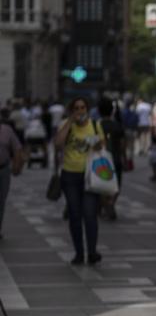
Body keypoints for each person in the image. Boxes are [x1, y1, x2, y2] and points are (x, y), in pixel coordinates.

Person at [53, 97, 105, 265]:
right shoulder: (65, 125)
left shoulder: (95, 125)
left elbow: (102, 145)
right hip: (70, 175)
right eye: (76, 108)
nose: (80, 111)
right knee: (75, 215)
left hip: (90, 176)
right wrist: (69, 122)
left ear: (87, 109)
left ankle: (92, 251)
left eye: (83, 108)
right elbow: (58, 144)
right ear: (71, 110)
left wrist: (96, 143)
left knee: (90, 215)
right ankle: (78, 253)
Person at [97, 98, 126, 220]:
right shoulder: (117, 126)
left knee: (99, 184)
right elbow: (123, 144)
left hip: (100, 160)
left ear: (99, 111)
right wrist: (124, 157)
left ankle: (105, 204)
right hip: (115, 158)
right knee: (116, 185)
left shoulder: (96, 125)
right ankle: (111, 203)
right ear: (112, 111)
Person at [0, 114, 25, 239]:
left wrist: (17, 164)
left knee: (1, 201)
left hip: (3, 169)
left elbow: (17, 148)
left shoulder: (7, 130)